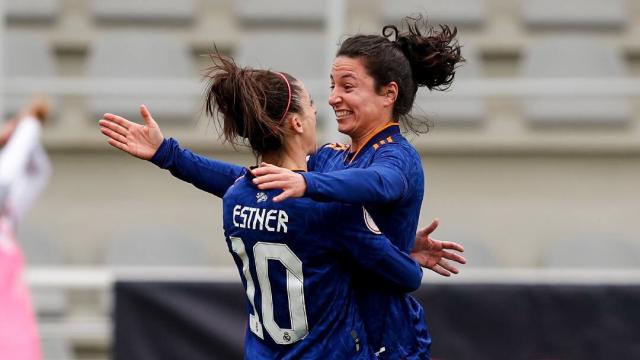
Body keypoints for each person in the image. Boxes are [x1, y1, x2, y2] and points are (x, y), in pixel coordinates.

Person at [99, 15, 465, 359]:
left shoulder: (396, 157)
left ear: (388, 94)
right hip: (343, 341)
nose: (333, 98)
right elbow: (253, 182)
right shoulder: (331, 160)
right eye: (332, 85)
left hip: (387, 341)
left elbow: (379, 183)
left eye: (347, 87)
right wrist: (169, 155)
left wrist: (307, 182)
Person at [0, 98, 51, 360]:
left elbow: (37, 171)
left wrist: (21, 131)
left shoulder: (7, 220)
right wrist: (28, 124)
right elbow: (6, 177)